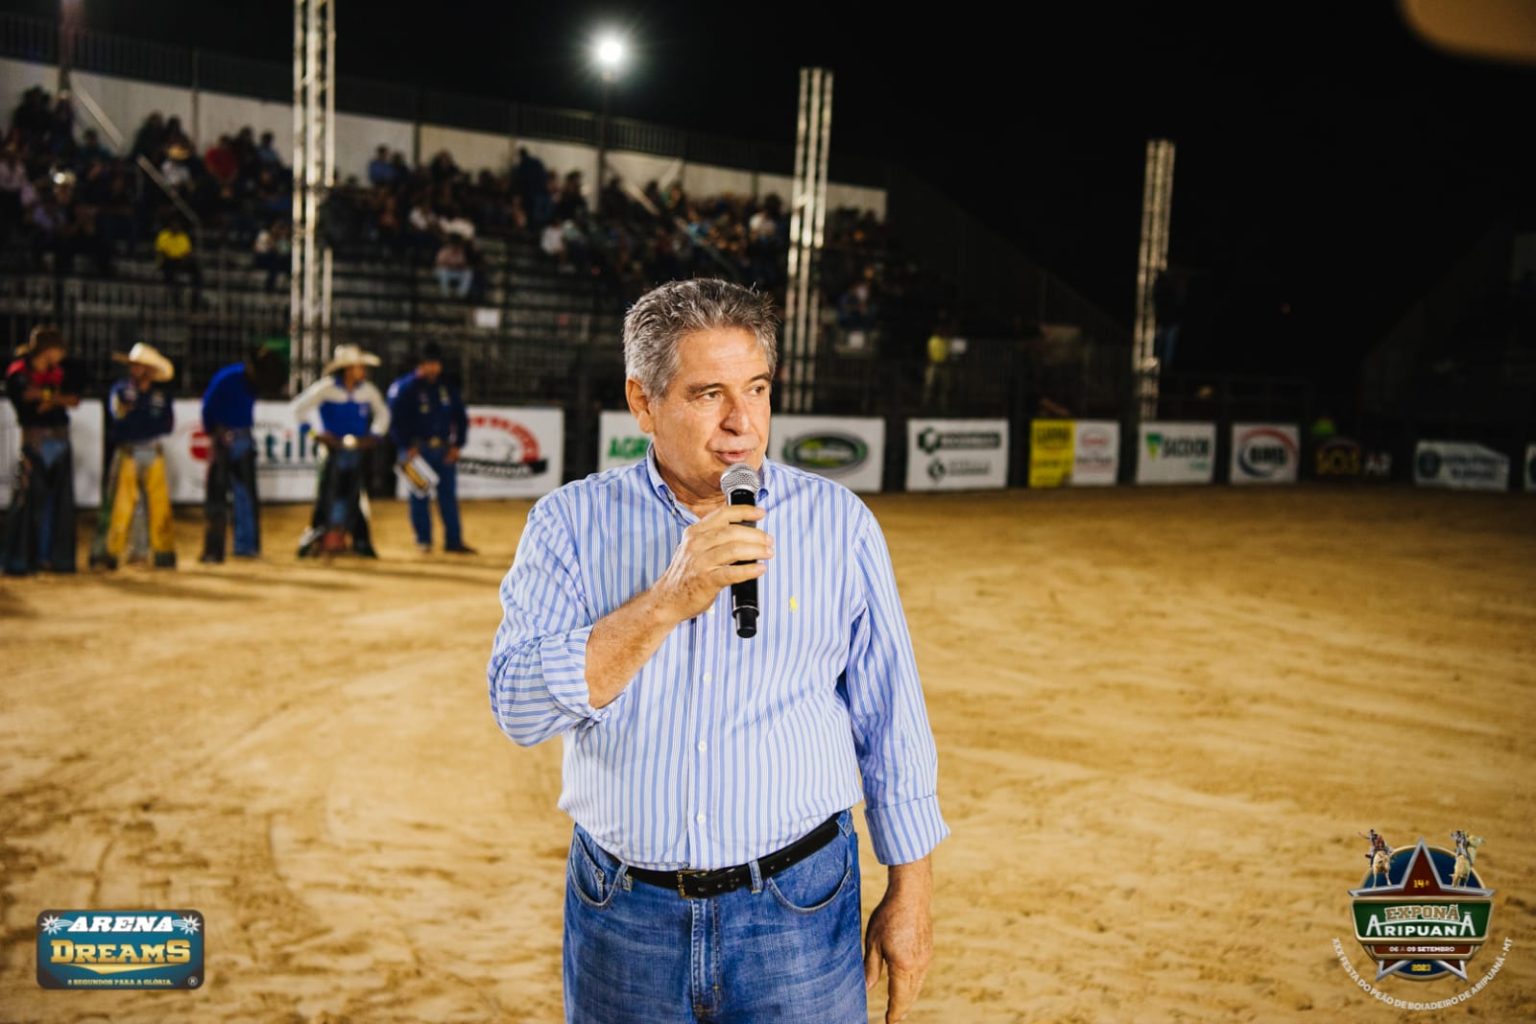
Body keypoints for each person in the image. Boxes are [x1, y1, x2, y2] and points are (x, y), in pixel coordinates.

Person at [487, 279, 946, 1024]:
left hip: (800, 910)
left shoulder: (838, 523)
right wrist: (665, 601)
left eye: (757, 389)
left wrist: (911, 892)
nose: (743, 423)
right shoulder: (567, 525)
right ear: (643, 403)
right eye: (709, 395)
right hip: (623, 919)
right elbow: (518, 707)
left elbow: (890, 719)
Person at [293, 344, 390, 558]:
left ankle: (358, 540)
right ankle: (321, 535)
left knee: (355, 495)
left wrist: (374, 436)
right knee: (328, 494)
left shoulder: (367, 390)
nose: (362, 370)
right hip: (333, 450)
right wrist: (316, 435)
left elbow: (383, 414)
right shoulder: (327, 388)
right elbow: (299, 409)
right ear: (347, 369)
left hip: (357, 451)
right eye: (358, 366)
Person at [91, 342, 177, 570]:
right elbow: (120, 421)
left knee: (156, 506)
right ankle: (108, 554)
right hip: (129, 451)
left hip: (151, 451)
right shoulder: (122, 390)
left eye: (140, 366)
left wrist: (136, 415)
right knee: (121, 504)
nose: (135, 370)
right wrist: (142, 419)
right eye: (134, 366)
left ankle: (156, 553)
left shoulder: (158, 395)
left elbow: (166, 425)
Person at [3, 326, 81, 575]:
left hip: (58, 442)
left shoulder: (58, 372)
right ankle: (21, 560)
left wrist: (46, 398)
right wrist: (54, 397)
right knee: (29, 504)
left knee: (56, 504)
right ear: (49, 350)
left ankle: (51, 558)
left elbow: (73, 399)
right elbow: (27, 397)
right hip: (35, 445)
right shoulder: (19, 372)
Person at [386, 342, 474, 554]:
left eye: (436, 363)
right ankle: (423, 540)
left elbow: (461, 418)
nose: (433, 367)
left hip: (443, 449)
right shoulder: (405, 388)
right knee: (419, 496)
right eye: (429, 363)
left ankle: (453, 541)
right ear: (420, 364)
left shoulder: (447, 387)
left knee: (448, 497)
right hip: (416, 451)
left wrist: (457, 445)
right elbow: (394, 421)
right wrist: (406, 446)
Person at [200, 345, 284, 563]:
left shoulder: (237, 379)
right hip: (231, 438)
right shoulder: (234, 379)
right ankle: (240, 547)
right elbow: (208, 407)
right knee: (234, 495)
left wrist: (213, 431)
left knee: (228, 496)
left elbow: (208, 407)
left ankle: (224, 550)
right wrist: (215, 433)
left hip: (232, 437)